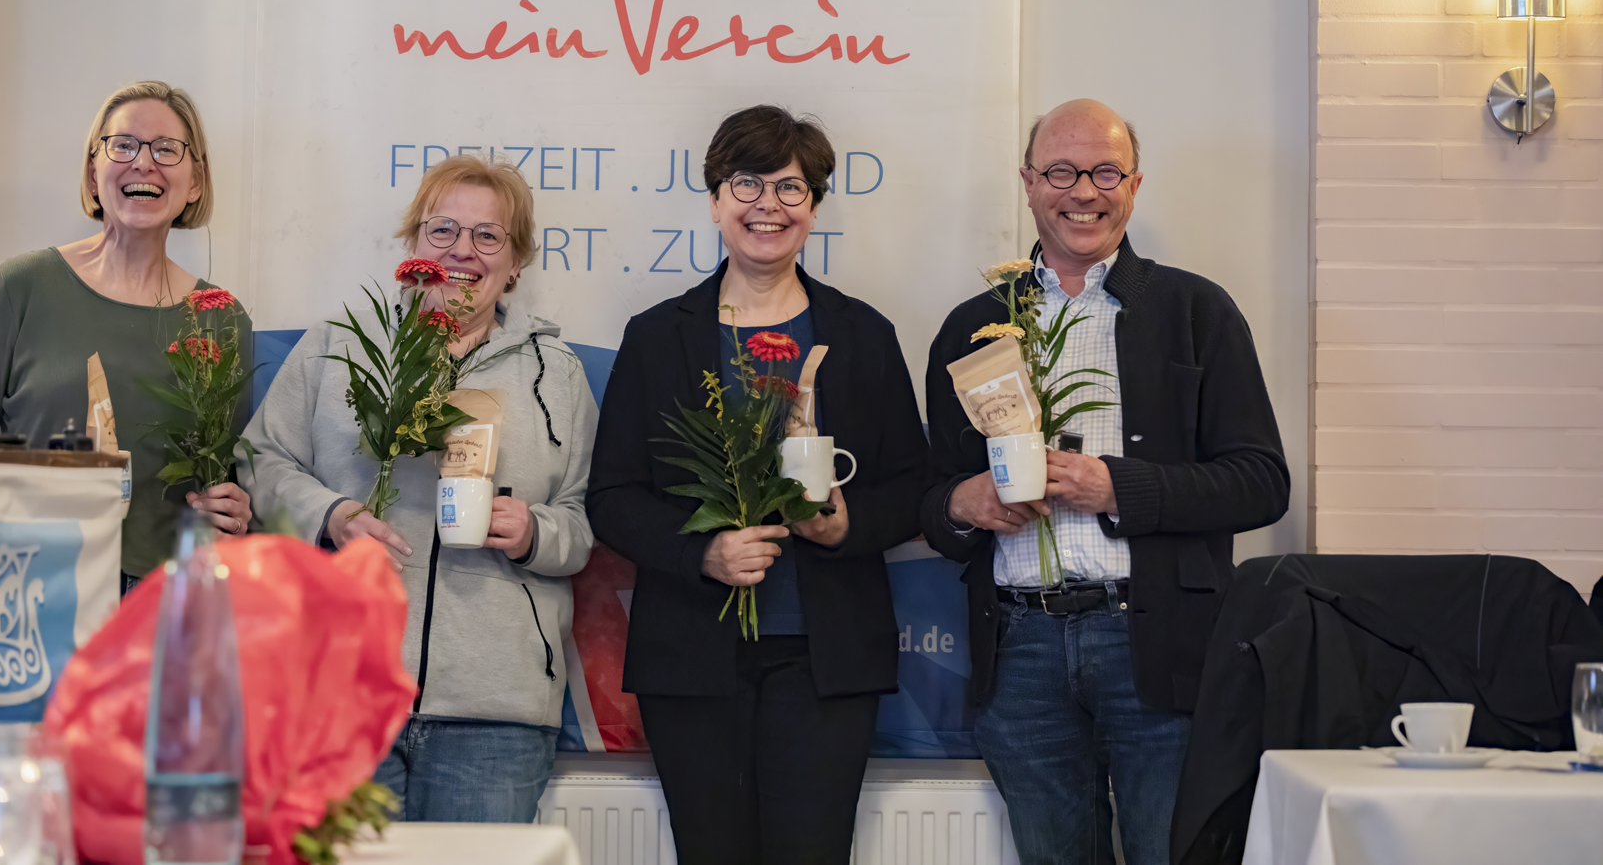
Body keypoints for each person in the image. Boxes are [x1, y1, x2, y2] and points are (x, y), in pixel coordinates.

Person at [919, 98, 1289, 865]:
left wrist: (1117, 489)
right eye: (1060, 171)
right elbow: (927, 500)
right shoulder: (972, 326)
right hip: (1019, 652)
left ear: (1134, 185)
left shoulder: (1196, 311)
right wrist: (963, 504)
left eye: (1105, 172)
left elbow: (1260, 482)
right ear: (1027, 183)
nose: (1083, 191)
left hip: (1158, 647)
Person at [587, 106, 929, 865]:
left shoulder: (863, 335)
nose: (767, 205)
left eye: (790, 188)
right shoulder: (658, 336)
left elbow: (913, 485)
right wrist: (701, 553)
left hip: (827, 659)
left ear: (814, 208)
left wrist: (845, 523)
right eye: (746, 184)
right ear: (715, 200)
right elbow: (611, 497)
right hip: (691, 658)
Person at [241, 154, 596, 824]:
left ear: (516, 263)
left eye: (488, 235)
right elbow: (261, 462)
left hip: (495, 715)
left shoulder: (559, 374)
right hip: (343, 694)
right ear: (413, 243)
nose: (463, 250)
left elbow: (581, 522)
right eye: (443, 230)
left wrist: (534, 533)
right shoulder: (338, 345)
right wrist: (332, 515)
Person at [0, 81, 254, 587]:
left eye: (167, 149)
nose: (143, 163)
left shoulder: (222, 318)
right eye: (123, 146)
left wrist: (234, 508)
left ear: (195, 181)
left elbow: (230, 471)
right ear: (92, 172)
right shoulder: (22, 286)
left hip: (167, 594)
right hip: (31, 583)